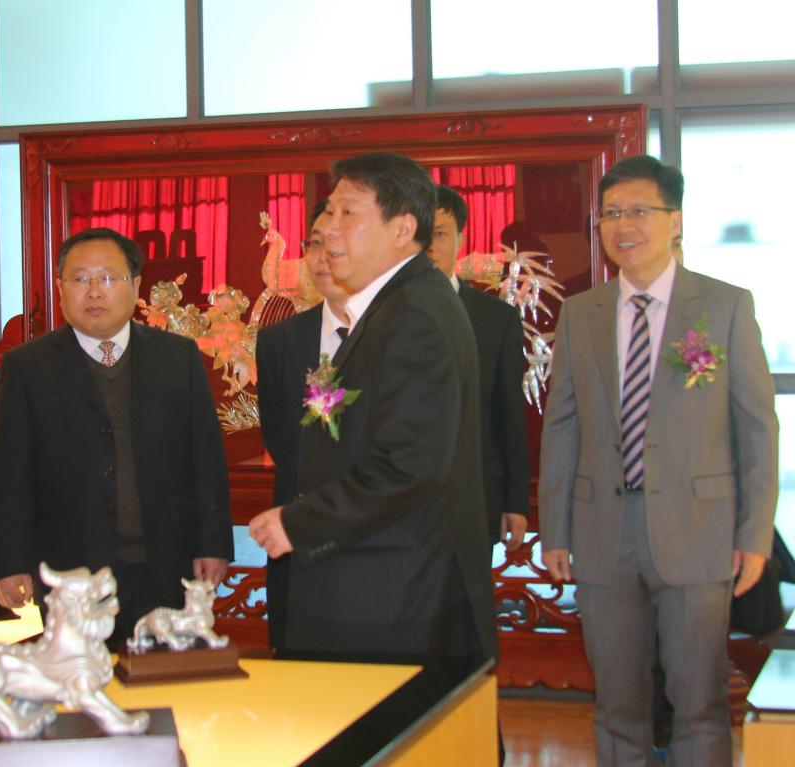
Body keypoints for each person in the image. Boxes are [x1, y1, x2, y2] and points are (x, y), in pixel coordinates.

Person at [538, 155, 778, 767]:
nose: (624, 226)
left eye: (640, 211)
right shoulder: (582, 313)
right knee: (617, 705)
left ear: (676, 220)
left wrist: (754, 535)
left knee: (699, 704)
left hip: (699, 533)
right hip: (602, 533)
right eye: (611, 214)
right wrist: (556, 529)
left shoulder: (724, 306)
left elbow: (756, 427)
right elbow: (562, 426)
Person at [249, 152, 498, 660]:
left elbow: (409, 465)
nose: (328, 228)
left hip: (392, 596)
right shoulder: (398, 304)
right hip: (379, 587)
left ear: (403, 229)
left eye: (348, 212)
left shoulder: (413, 316)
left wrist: (298, 522)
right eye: (328, 212)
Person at [0, 227, 233, 647]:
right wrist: (10, 562)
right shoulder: (27, 368)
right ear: (60, 289)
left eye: (107, 278)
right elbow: (10, 475)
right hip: (70, 573)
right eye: (80, 279)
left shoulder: (177, 357)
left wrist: (213, 543)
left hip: (166, 563)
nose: (94, 291)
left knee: (167, 677)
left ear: (135, 286)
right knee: (79, 679)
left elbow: (205, 458)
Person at [256, 200, 351, 648]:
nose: (323, 256)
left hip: (378, 546)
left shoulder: (398, 334)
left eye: (337, 243)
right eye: (315, 244)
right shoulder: (279, 340)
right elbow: (280, 436)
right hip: (297, 538)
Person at [429, 184, 530, 550]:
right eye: (419, 233)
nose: (429, 245)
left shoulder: (496, 319)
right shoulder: (380, 314)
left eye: (440, 234)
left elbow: (509, 415)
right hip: (397, 506)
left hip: (475, 496)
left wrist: (515, 500)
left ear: (461, 238)